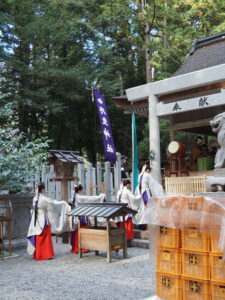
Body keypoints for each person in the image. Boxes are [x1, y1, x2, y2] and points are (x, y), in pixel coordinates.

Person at [27, 182, 71, 260]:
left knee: (38, 237)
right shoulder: (44, 199)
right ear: (43, 189)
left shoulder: (35, 198)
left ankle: (37, 255)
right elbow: (53, 204)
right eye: (44, 189)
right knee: (45, 237)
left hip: (35, 219)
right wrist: (63, 203)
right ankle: (45, 255)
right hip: (42, 219)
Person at [69, 184, 105, 254]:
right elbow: (89, 198)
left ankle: (78, 247)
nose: (82, 192)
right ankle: (82, 248)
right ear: (79, 191)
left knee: (77, 232)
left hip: (77, 216)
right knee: (82, 231)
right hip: (81, 216)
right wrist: (100, 197)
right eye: (81, 190)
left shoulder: (74, 196)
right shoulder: (79, 197)